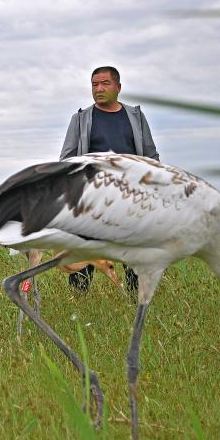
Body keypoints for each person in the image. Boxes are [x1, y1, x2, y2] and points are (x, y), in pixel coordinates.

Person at [59, 66, 160, 293]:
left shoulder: (135, 116)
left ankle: (137, 299)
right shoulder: (80, 119)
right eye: (94, 84)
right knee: (84, 249)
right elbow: (67, 159)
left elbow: (151, 156)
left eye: (105, 83)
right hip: (92, 199)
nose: (99, 89)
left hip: (131, 196)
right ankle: (79, 299)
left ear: (118, 87)